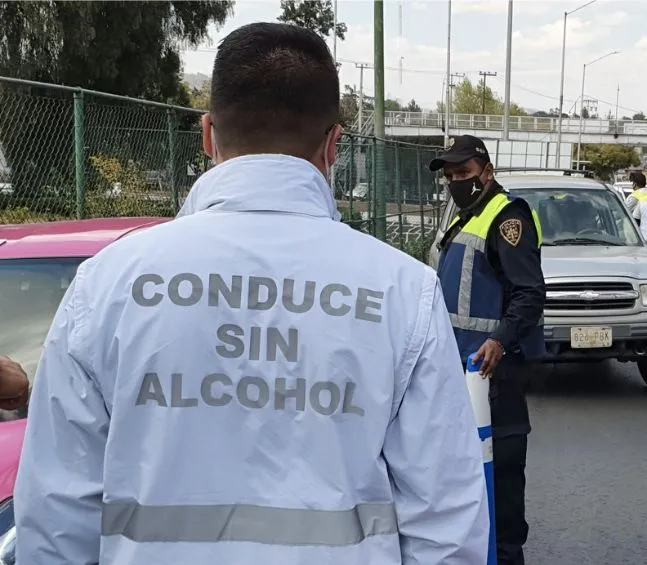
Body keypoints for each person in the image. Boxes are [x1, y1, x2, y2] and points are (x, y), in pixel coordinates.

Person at [15, 22, 489, 565]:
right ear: (334, 144)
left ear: (208, 134)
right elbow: (446, 526)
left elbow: (55, 517)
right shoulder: (406, 293)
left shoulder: (106, 284)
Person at [431, 134, 546, 565]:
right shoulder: (462, 214)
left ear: (487, 171)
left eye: (464, 173)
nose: (456, 182)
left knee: (500, 477)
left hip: (495, 372)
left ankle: (506, 553)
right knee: (463, 477)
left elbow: (530, 294)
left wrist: (500, 338)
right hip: (458, 370)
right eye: (450, 176)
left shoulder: (506, 217)